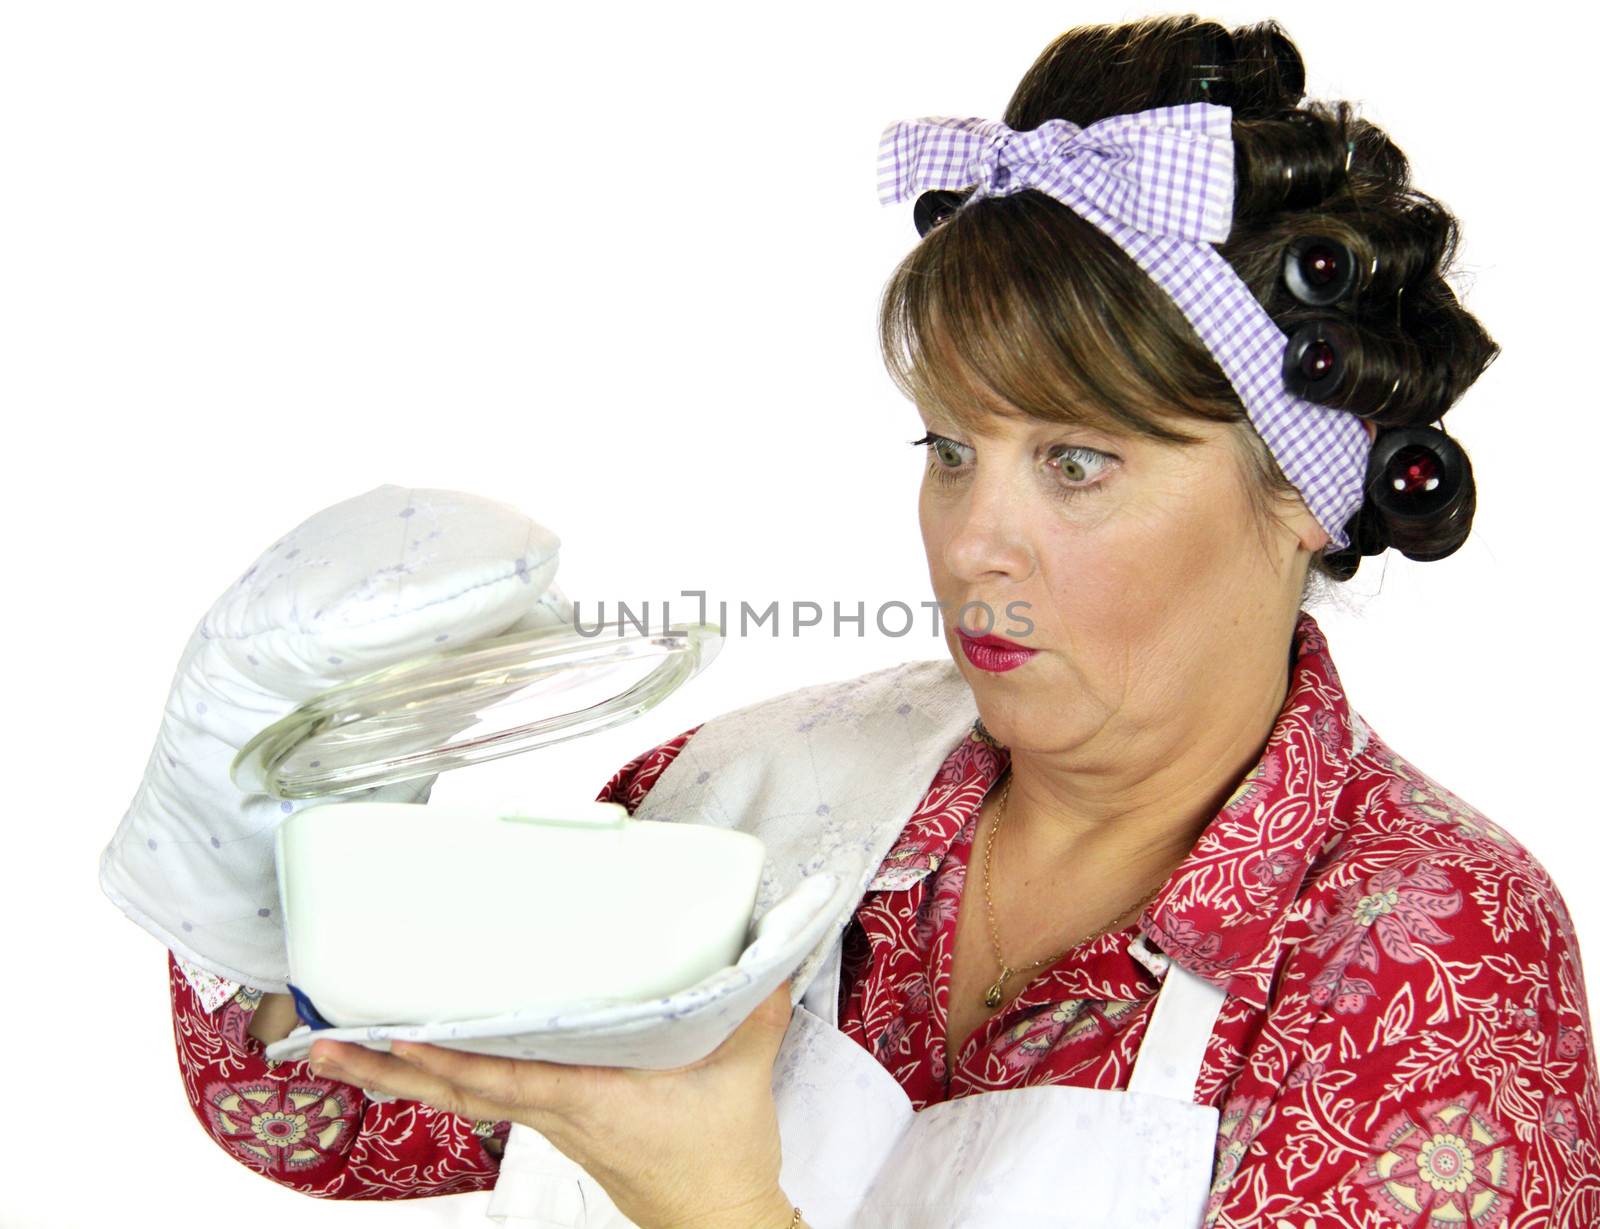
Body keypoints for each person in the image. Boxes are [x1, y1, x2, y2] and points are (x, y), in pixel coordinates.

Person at [154, 14, 1599, 1228]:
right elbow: (331, 1113)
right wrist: (263, 808)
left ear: (1301, 497)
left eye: (1076, 463)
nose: (973, 538)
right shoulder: (761, 790)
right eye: (950, 448)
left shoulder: (1430, 953)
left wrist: (722, 1213)